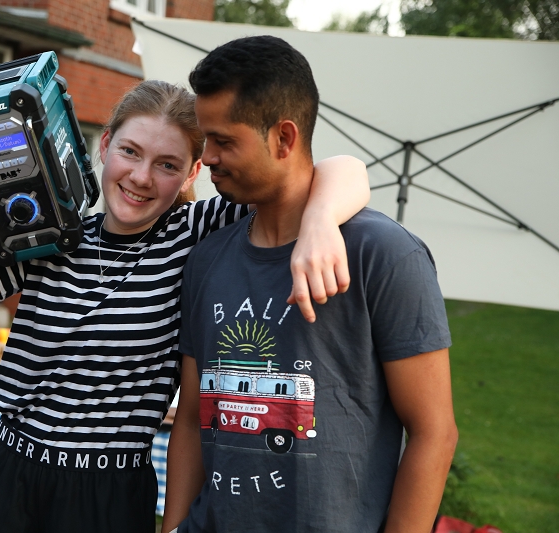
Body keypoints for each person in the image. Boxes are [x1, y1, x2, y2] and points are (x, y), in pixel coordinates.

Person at [0, 76, 369, 533]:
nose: (141, 177)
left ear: (192, 173)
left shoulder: (195, 232)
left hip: (109, 490)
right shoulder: (51, 234)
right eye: (130, 151)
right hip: (10, 471)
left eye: (167, 165)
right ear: (104, 146)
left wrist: (320, 220)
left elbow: (344, 170)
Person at [163, 36, 458, 533]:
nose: (206, 157)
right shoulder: (207, 258)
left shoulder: (384, 255)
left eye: (224, 141)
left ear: (284, 138)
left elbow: (434, 433)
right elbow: (192, 419)